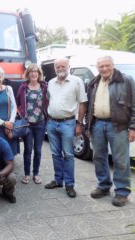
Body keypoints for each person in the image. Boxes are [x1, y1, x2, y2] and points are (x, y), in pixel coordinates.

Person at [86, 56, 135, 206]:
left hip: (118, 126)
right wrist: (88, 125)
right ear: (97, 68)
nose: (104, 69)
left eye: (107, 65)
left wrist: (134, 128)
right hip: (97, 125)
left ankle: (122, 192)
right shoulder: (94, 82)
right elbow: (90, 105)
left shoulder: (126, 80)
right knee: (98, 157)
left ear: (112, 65)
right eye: (101, 66)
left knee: (120, 160)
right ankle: (103, 186)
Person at [45, 57, 87, 198]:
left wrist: (79, 123)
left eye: (63, 66)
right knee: (55, 154)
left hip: (68, 123)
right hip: (51, 123)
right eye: (58, 66)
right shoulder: (51, 82)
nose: (60, 68)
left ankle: (69, 185)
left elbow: (82, 103)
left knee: (68, 155)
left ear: (69, 66)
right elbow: (48, 100)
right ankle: (58, 180)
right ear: (55, 68)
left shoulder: (76, 81)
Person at [16, 63, 48, 184]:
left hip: (40, 123)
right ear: (28, 74)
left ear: (39, 74)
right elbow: (17, 101)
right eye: (31, 71)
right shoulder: (23, 87)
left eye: (36, 71)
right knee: (28, 149)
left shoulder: (44, 86)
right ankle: (27, 174)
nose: (34, 73)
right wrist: (21, 114)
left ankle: (36, 173)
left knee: (38, 150)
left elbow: (49, 101)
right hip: (27, 124)